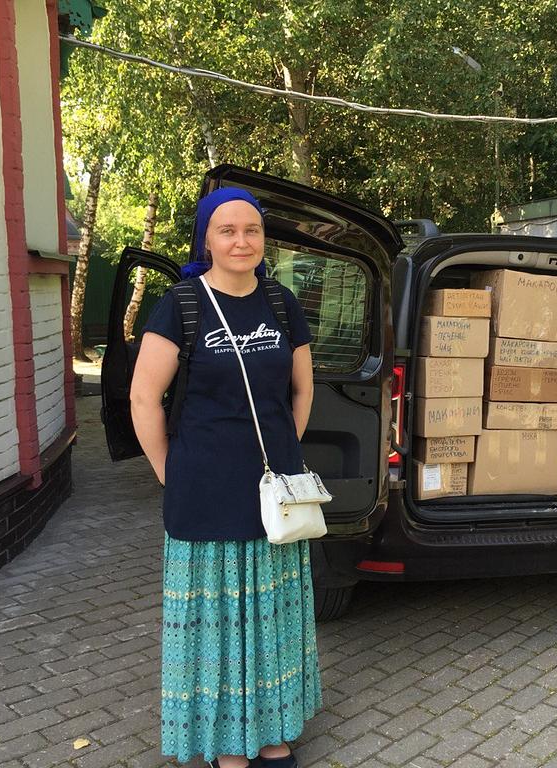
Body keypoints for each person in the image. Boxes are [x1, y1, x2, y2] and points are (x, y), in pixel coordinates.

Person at [131, 187, 321, 767]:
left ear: (263, 239)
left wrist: (282, 454)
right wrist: (169, 471)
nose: (242, 241)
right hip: (204, 489)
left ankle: (270, 731)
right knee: (215, 624)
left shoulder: (282, 303)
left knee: (271, 617)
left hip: (272, 494)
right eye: (227, 230)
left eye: (252, 230)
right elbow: (143, 398)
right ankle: (224, 744)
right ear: (206, 240)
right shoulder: (182, 304)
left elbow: (302, 390)